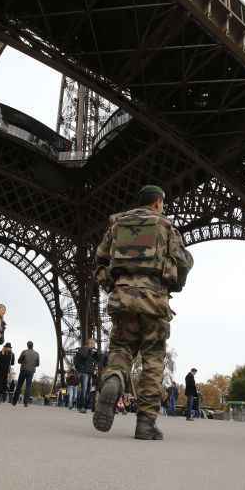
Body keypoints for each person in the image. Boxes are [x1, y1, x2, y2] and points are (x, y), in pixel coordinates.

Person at [92, 185, 194, 440]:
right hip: (154, 298)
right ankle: (145, 424)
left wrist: (113, 286)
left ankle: (114, 377)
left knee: (121, 348)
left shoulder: (116, 225)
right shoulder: (166, 226)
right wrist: (174, 283)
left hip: (122, 297)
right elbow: (183, 262)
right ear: (158, 202)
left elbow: (99, 261)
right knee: (153, 360)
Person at [73, 339, 97, 414]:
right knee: (84, 390)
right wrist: (90, 351)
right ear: (89, 343)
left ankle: (82, 406)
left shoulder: (91, 351)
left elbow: (94, 361)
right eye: (93, 343)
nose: (94, 345)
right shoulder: (83, 349)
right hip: (84, 372)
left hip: (89, 372)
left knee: (87, 390)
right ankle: (82, 407)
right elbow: (83, 357)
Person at [12, 341, 39, 407]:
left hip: (24, 370)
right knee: (28, 387)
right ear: (32, 346)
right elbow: (37, 364)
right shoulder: (36, 354)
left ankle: (14, 401)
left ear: (27, 346)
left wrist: (23, 362)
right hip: (31, 371)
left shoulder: (24, 352)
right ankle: (25, 403)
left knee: (19, 385)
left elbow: (19, 361)